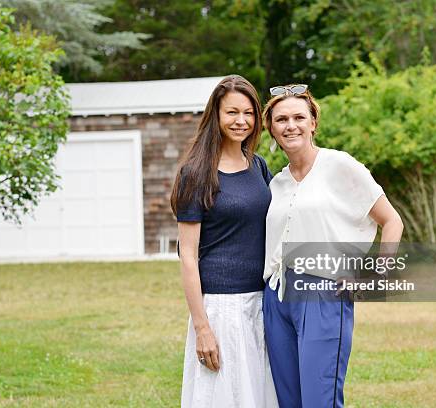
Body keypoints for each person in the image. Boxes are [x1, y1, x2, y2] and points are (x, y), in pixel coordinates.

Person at [261, 84, 404, 407]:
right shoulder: (277, 182)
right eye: (281, 119)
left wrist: (375, 277)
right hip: (276, 296)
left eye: (299, 116)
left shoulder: (340, 165)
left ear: (313, 123)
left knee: (319, 399)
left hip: (323, 293)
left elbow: (392, 221)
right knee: (289, 400)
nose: (290, 125)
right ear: (271, 127)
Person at [171, 75, 278, 407]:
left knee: (259, 396)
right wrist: (203, 327)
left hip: (261, 303)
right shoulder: (196, 173)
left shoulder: (258, 167)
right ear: (215, 114)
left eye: (248, 113)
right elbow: (187, 256)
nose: (241, 121)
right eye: (232, 112)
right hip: (221, 309)